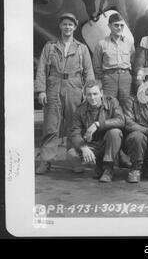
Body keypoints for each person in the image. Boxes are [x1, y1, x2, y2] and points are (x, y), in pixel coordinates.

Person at [35, 13, 94, 174]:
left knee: (74, 125)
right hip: (54, 85)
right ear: (60, 26)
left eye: (70, 24)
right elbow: (41, 70)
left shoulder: (81, 48)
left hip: (74, 87)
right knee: (50, 125)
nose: (67, 27)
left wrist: (89, 92)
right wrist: (41, 90)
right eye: (65, 24)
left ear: (75, 27)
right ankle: (46, 161)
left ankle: (75, 160)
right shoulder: (50, 46)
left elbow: (89, 73)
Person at [67, 80, 125, 183]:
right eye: (89, 94)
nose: (92, 98)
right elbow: (75, 132)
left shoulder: (112, 102)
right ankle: (98, 164)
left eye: (95, 94)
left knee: (115, 132)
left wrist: (98, 124)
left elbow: (121, 120)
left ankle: (108, 168)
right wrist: (83, 147)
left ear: (101, 93)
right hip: (93, 144)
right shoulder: (80, 110)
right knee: (72, 154)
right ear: (85, 95)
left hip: (109, 143)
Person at [92, 13, 135, 106]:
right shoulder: (101, 44)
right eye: (116, 25)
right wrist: (102, 79)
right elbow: (96, 66)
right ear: (109, 26)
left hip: (125, 78)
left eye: (122, 25)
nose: (119, 28)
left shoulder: (129, 43)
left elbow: (132, 59)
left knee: (126, 105)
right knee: (109, 105)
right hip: (109, 78)